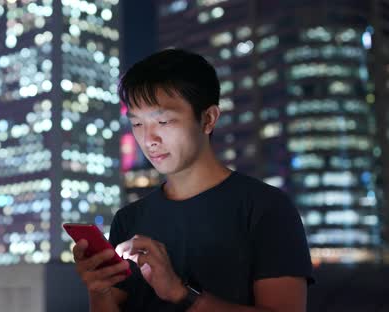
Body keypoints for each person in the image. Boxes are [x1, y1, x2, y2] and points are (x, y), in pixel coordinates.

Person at [72, 49, 313, 312]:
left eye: (162, 121)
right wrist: (99, 291)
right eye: (138, 124)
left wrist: (180, 293)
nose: (149, 139)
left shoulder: (265, 208)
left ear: (208, 119)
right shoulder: (129, 219)